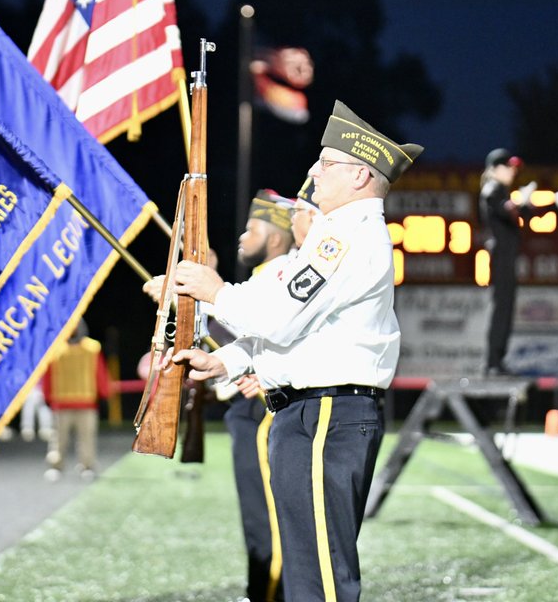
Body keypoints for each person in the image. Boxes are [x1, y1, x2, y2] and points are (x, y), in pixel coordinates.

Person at [168, 100, 422, 602]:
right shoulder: (335, 235)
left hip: (324, 414)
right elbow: (297, 329)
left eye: (326, 162)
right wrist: (226, 360)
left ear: (359, 175)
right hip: (311, 412)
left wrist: (214, 291)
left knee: (319, 577)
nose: (313, 172)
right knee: (306, 571)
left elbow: (278, 317)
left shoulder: (345, 238)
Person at [225, 188, 295, 602]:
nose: (242, 236)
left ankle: (268, 593)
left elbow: (259, 330)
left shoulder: (280, 275)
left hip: (263, 409)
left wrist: (204, 294)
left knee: (266, 517)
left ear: (276, 237)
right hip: (250, 406)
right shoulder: (262, 277)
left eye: (253, 229)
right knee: (256, 516)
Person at [479, 149, 558, 376]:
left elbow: (525, 213)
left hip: (506, 257)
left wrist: (550, 201)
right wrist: (521, 199)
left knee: (506, 309)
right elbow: (508, 209)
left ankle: (498, 361)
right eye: (508, 167)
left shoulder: (502, 191)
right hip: (500, 257)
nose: (512, 171)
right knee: (501, 309)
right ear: (495, 169)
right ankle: (493, 363)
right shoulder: (492, 189)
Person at [42, 320, 110, 481]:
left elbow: (99, 372)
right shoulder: (55, 349)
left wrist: (104, 393)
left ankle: (87, 466)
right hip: (61, 403)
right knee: (58, 439)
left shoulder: (92, 348)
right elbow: (49, 375)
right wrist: (47, 396)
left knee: (86, 438)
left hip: (86, 403)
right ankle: (56, 466)